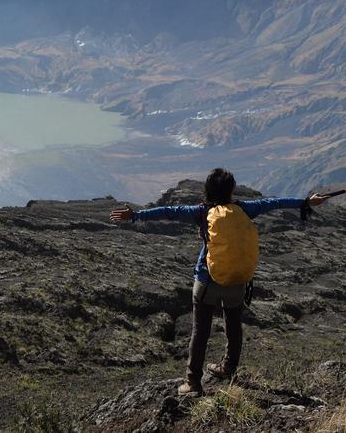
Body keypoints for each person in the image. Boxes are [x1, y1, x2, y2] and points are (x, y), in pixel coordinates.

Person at [109, 168, 328, 395]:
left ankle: (193, 383)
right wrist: (306, 202)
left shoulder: (202, 212)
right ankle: (228, 368)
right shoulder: (245, 209)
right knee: (233, 326)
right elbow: (273, 202)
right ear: (232, 190)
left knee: (200, 331)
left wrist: (135, 215)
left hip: (207, 279)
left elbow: (169, 211)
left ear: (208, 190)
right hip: (237, 280)